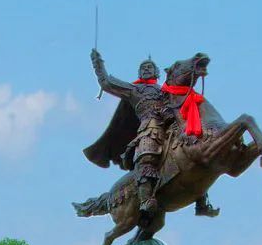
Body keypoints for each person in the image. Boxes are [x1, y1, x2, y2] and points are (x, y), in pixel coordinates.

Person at [85, 49, 219, 220]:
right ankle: (145, 199)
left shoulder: (165, 90)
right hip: (150, 129)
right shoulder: (134, 89)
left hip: (172, 126)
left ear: (157, 72)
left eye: (150, 67)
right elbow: (107, 83)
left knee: (196, 148)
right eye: (143, 68)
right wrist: (98, 64)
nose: (146, 69)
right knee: (148, 157)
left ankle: (201, 202)